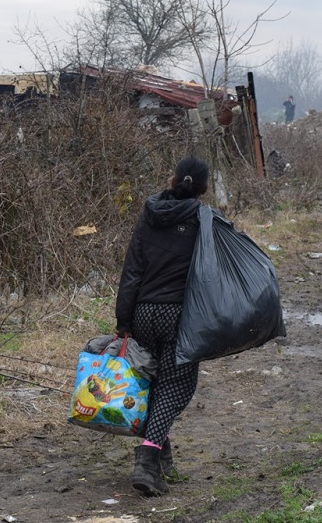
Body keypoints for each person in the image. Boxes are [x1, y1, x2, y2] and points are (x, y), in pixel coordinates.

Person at [114, 156, 209, 496]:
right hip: (178, 316)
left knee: (151, 382)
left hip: (143, 313)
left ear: (172, 179)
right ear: (203, 187)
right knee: (176, 386)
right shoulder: (203, 219)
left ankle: (163, 458)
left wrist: (123, 320)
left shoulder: (149, 214)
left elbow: (132, 269)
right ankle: (148, 460)